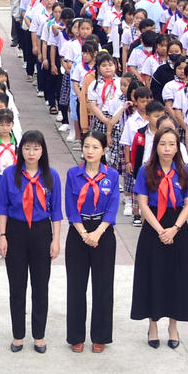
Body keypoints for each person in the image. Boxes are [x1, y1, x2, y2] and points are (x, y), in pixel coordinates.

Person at [0, 129, 62, 353]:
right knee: (17, 285)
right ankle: (18, 335)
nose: (31, 152)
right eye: (26, 147)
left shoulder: (51, 175)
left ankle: (39, 335)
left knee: (40, 286)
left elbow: (56, 212)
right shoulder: (9, 175)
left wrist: (56, 240)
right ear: (20, 149)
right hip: (16, 231)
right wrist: (1, 236)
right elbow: (2, 207)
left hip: (42, 232)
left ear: (43, 150)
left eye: (36, 148)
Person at [131, 126, 188, 349]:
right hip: (153, 228)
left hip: (178, 228)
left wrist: (174, 228)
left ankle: (173, 326)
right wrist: (160, 230)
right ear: (155, 146)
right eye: (162, 144)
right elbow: (143, 203)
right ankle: (153, 324)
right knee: (153, 276)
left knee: (176, 277)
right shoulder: (146, 171)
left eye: (171, 144)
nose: (167, 149)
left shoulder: (185, 171)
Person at [63, 131, 119, 353]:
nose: (90, 151)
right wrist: (84, 233)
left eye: (95, 147)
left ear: (103, 150)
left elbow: (113, 206)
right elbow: (70, 206)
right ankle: (76, 335)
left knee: (103, 286)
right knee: (76, 287)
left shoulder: (112, 175)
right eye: (86, 146)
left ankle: (101, 335)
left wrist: (97, 233)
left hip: (103, 233)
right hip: (79, 232)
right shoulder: (73, 174)